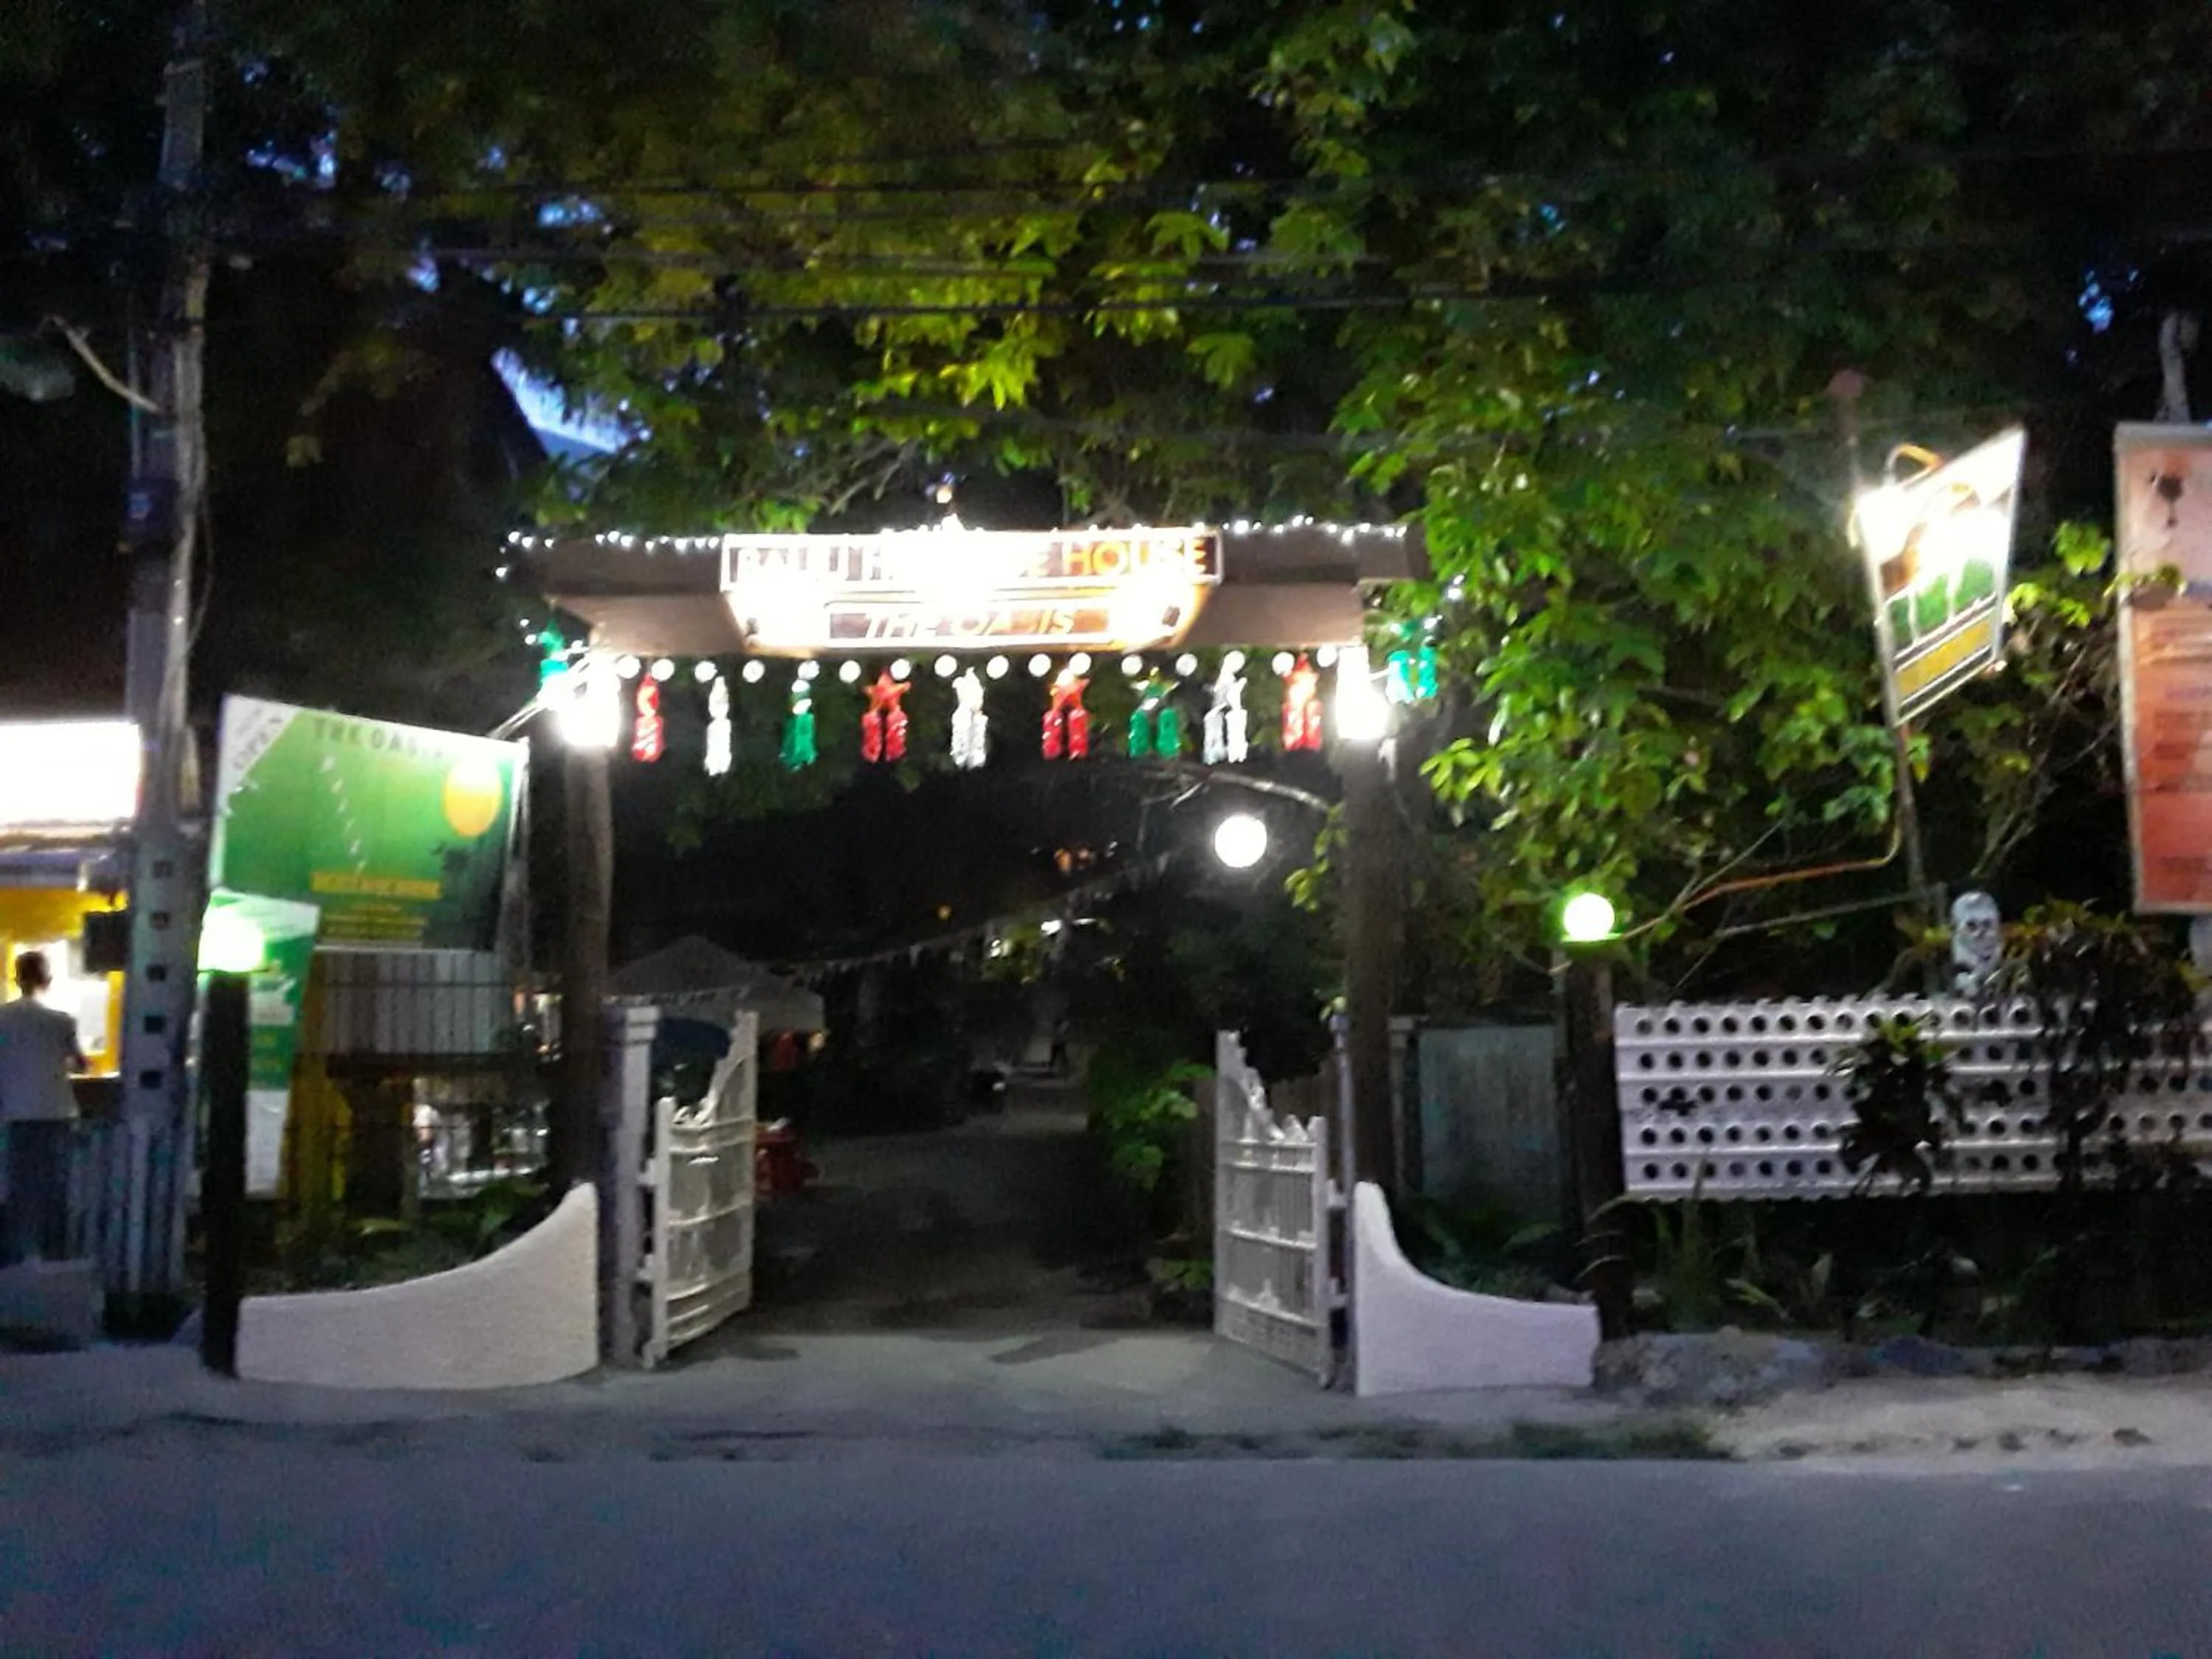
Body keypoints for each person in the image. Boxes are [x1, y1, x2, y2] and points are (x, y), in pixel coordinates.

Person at [0, 951, 87, 1265]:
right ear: (47, 980)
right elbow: (81, 1064)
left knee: (20, 1191)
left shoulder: (2, 1017)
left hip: (16, 1114)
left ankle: (19, 1259)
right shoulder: (63, 1021)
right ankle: (56, 1259)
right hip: (59, 1113)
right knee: (56, 1191)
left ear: (16, 977)